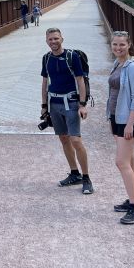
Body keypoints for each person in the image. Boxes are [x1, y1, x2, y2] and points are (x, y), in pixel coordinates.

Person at [40, 27, 93, 194]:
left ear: (62, 39)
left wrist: (82, 104)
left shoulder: (72, 56)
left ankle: (86, 178)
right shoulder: (46, 58)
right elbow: (44, 82)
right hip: (54, 103)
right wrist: (44, 106)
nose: (53, 42)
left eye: (56, 38)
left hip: (71, 103)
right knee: (63, 139)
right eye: (50, 39)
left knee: (76, 140)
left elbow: (80, 80)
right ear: (46, 41)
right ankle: (74, 173)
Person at [107, 31, 134, 225]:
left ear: (129, 45)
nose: (118, 48)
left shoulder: (133, 68)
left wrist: (130, 124)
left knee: (121, 162)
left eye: (122, 45)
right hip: (118, 118)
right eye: (115, 44)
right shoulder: (118, 64)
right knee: (129, 161)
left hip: (129, 121)